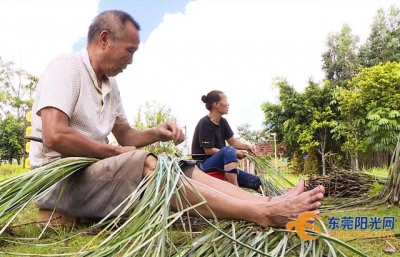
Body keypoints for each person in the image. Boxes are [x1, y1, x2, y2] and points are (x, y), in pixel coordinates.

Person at [29, 10, 325, 228]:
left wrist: (157, 133)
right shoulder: (65, 68)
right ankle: (261, 215)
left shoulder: (110, 85)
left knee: (174, 164)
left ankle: (271, 203)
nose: (131, 61)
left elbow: (126, 136)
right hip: (60, 181)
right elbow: (56, 136)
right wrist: (115, 152)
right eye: (129, 51)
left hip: (96, 173)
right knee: (147, 163)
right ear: (104, 39)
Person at [191, 90, 262, 192]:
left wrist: (247, 147)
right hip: (203, 165)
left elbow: (233, 142)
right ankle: (235, 191)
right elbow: (208, 150)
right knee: (229, 150)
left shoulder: (223, 122)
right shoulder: (205, 123)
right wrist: (235, 152)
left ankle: (274, 199)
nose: (228, 104)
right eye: (225, 100)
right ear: (216, 104)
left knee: (255, 181)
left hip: (221, 165)